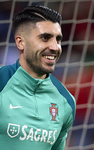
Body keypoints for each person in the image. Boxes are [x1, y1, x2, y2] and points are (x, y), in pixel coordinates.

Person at [0, 5, 76, 150]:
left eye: (58, 39)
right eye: (45, 38)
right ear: (20, 42)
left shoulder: (66, 100)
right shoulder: (2, 82)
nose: (55, 47)